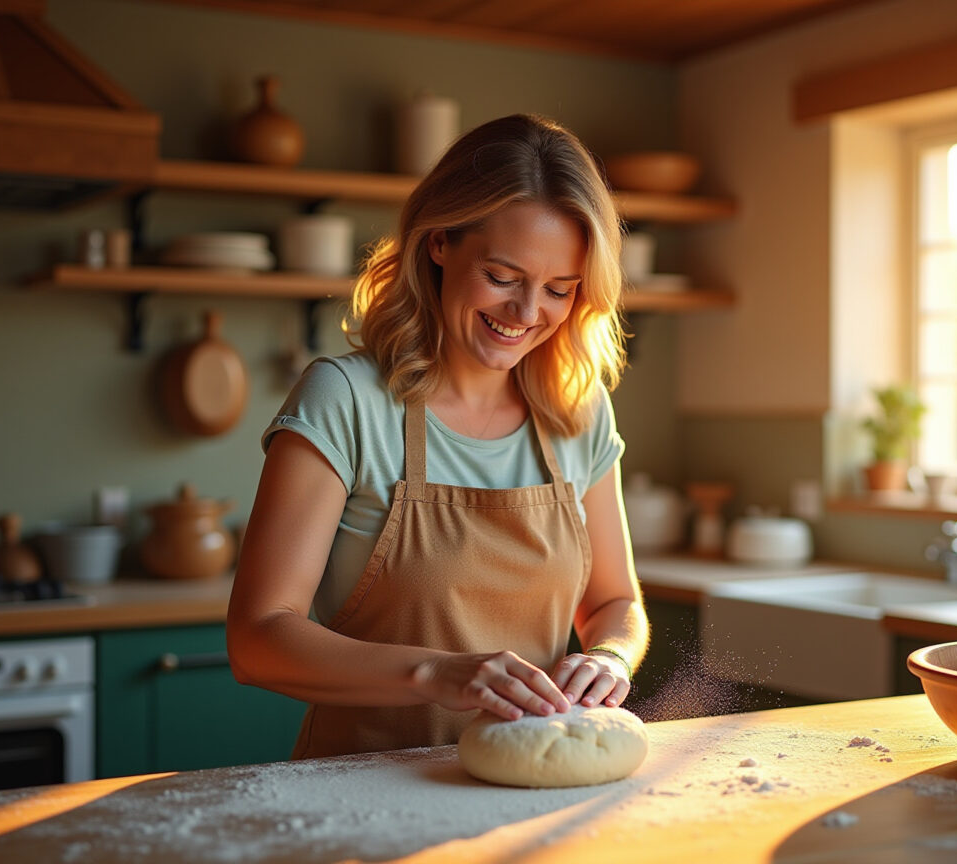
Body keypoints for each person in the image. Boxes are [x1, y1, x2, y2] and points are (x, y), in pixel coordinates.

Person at [227, 113, 650, 759]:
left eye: (560, 290)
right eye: (504, 277)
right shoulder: (346, 400)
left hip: (522, 799)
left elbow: (615, 600)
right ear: (439, 243)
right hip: (363, 791)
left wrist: (612, 658)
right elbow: (257, 640)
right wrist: (436, 673)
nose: (527, 314)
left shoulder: (579, 410)